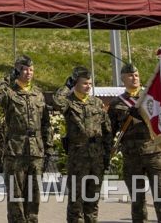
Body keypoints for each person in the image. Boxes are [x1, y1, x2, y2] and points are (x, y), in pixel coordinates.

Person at [0, 55, 52, 223]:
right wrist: (8, 77)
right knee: (16, 194)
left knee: (34, 193)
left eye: (31, 69)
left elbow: (46, 124)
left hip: (36, 151)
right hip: (15, 150)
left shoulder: (38, 94)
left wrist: (49, 148)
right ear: (17, 70)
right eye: (24, 69)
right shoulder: (9, 93)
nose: (28, 72)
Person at [108, 63, 161, 223]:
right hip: (132, 157)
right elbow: (109, 131)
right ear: (123, 79)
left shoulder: (151, 98)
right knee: (137, 202)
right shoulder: (117, 103)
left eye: (136, 75)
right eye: (130, 76)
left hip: (155, 154)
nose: (134, 78)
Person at [52, 66, 111, 223]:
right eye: (84, 83)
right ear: (76, 84)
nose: (88, 86)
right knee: (76, 200)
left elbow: (107, 131)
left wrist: (107, 155)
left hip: (97, 157)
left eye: (90, 83)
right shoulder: (69, 103)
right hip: (78, 158)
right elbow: (57, 102)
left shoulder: (97, 103)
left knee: (93, 200)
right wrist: (67, 86)